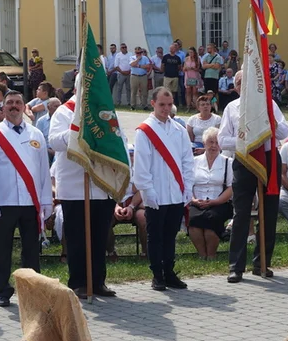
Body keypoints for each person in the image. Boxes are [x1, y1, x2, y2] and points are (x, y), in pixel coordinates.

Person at [219, 71, 288, 282]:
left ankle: (262, 263)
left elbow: (284, 132)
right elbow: (223, 140)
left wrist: (270, 123)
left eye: (248, 81)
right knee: (241, 214)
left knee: (269, 212)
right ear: (236, 86)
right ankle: (236, 266)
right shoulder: (232, 108)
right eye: (240, 82)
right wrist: (246, 140)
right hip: (244, 160)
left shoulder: (269, 104)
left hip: (269, 158)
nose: (245, 85)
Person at [0, 89, 51, 307]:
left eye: (18, 102)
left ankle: (32, 289)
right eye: (9, 102)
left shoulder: (36, 134)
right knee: (2, 249)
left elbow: (43, 171)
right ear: (3, 107)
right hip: (5, 202)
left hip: (30, 202)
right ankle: (3, 290)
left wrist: (46, 200)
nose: (13, 106)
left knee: (31, 249)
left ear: (24, 106)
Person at [49, 95, 123, 298]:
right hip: (74, 186)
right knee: (77, 237)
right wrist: (78, 129)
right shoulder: (64, 112)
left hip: (101, 183)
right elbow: (54, 141)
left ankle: (98, 282)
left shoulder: (105, 110)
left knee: (100, 236)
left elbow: (119, 139)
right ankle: (79, 282)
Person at [133, 87, 194, 291]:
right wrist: (147, 191)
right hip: (156, 192)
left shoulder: (179, 129)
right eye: (162, 105)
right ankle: (157, 274)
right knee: (155, 235)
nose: (166, 109)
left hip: (176, 191)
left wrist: (187, 187)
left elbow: (187, 160)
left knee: (170, 234)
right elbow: (141, 165)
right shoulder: (145, 131)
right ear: (153, 104)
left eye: (169, 105)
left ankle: (169, 271)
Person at [187, 127, 233, 261]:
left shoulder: (227, 162)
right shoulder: (194, 162)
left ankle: (211, 255)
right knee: (193, 220)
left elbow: (231, 188)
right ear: (204, 143)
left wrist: (215, 202)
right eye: (210, 142)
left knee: (211, 218)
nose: (213, 146)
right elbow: (187, 185)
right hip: (197, 201)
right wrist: (193, 200)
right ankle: (202, 255)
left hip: (219, 202)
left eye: (216, 142)